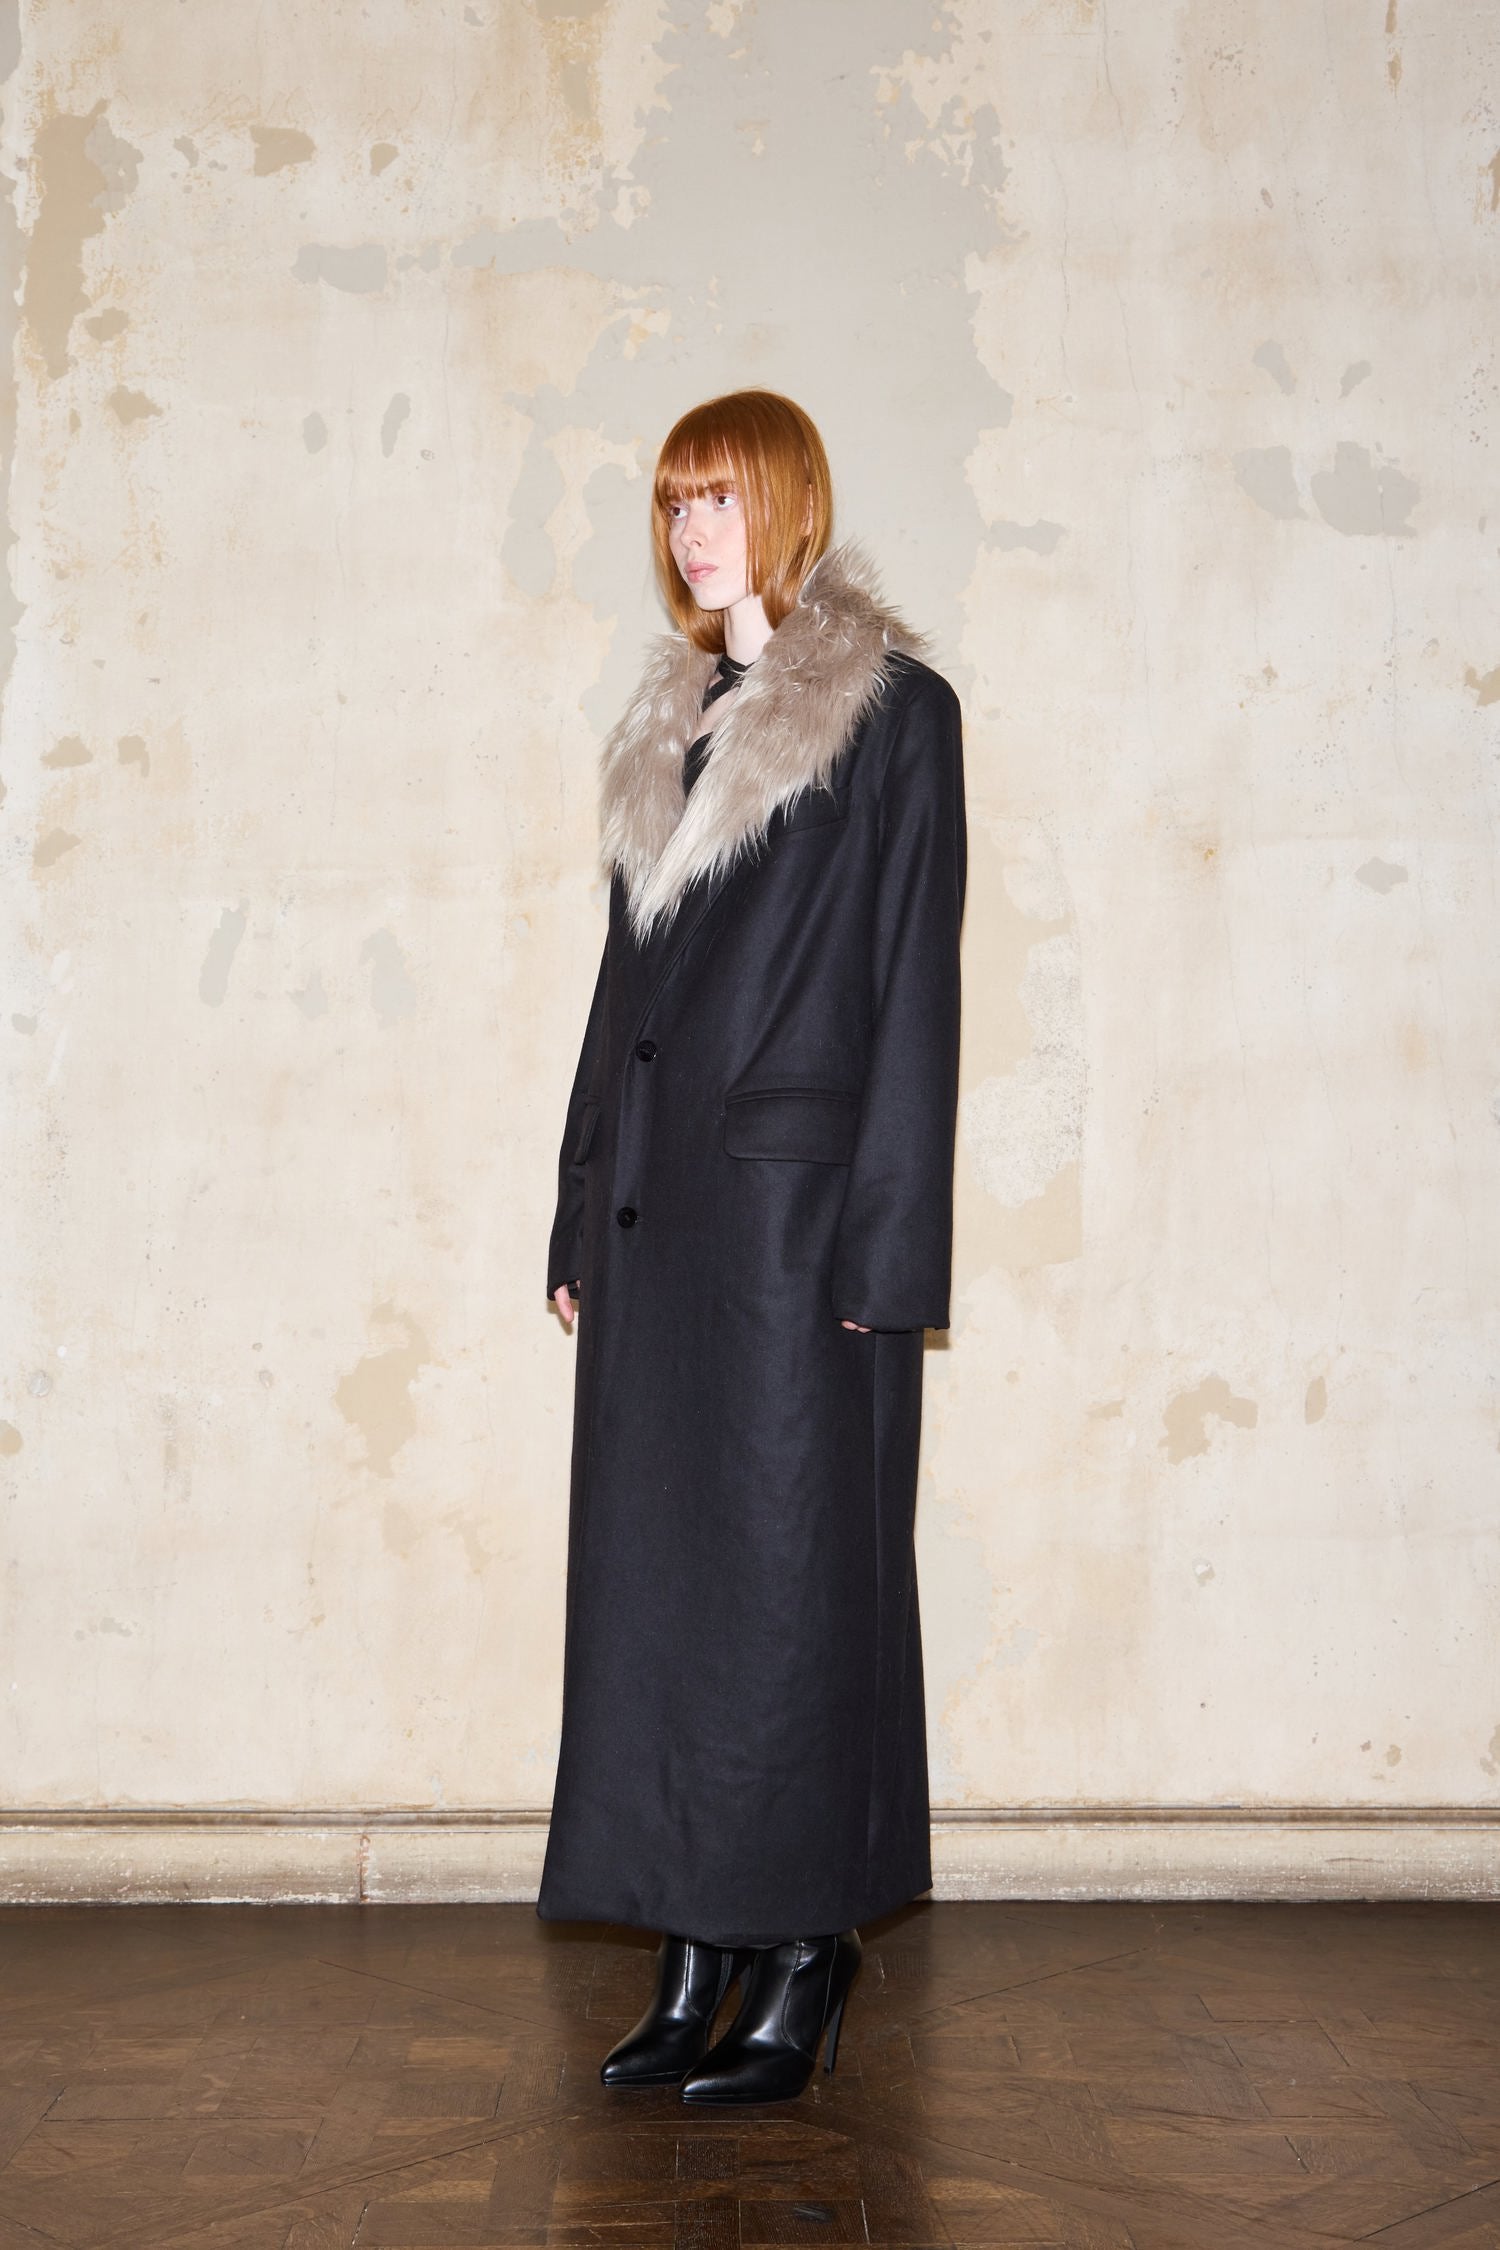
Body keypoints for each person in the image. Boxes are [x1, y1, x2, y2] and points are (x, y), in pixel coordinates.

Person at [538, 388, 967, 2106]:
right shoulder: (668, 725)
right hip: (660, 1233)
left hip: (801, 1245)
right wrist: (580, 1202)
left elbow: (915, 991)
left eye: (718, 498)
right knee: (660, 1596)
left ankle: (802, 1947)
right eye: (674, 504)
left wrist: (889, 1255)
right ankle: (692, 1942)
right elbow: (623, 995)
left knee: (796, 1595)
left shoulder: (896, 716)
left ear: (787, 503)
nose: (692, 531)